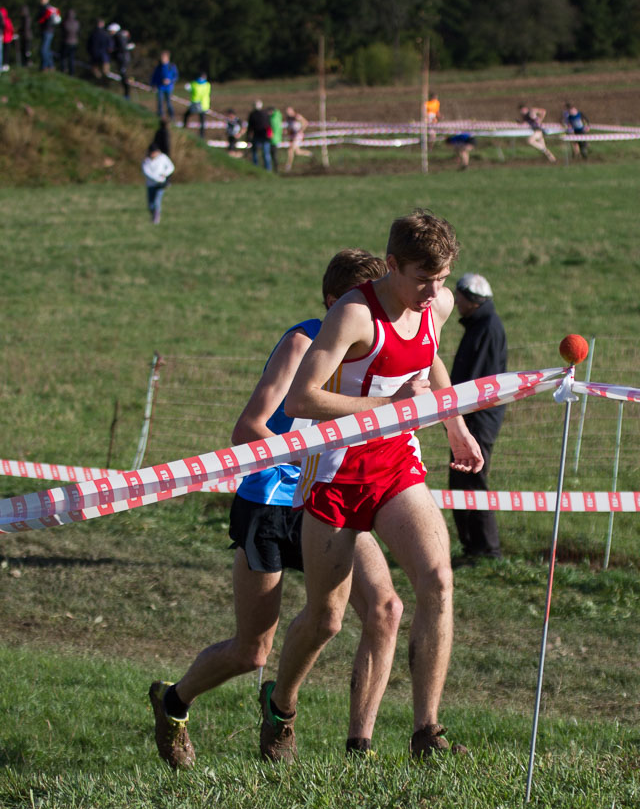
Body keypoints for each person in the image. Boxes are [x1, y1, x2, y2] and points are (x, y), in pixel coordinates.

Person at [149, 250, 403, 769]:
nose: (370, 315)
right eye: (360, 303)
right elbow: (248, 429)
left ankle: (340, 741)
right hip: (271, 501)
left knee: (384, 609)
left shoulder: (372, 354)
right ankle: (173, 702)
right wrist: (305, 457)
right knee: (252, 652)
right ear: (333, 303)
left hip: (329, 498)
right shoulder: (303, 343)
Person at [258, 209, 484, 764]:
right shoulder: (354, 314)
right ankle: (280, 706)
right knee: (326, 619)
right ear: (392, 265)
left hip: (396, 463)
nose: (433, 291)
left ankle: (426, 733)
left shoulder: (437, 305)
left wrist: (455, 426)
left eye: (442, 277)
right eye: (422, 279)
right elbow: (302, 399)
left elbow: (430, 359)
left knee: (438, 579)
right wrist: (388, 406)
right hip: (335, 472)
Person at [449, 273, 507, 562]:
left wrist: (459, 414)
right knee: (462, 480)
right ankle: (472, 547)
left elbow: (477, 381)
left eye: (459, 297)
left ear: (472, 299)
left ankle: (487, 549)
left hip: (477, 420)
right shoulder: (479, 324)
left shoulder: (487, 327)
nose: (456, 302)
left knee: (473, 480)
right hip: (471, 418)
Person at [142, 143, 174, 224]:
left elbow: (171, 167)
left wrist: (164, 174)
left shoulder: (163, 158)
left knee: (157, 201)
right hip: (151, 184)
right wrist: (157, 179)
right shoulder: (146, 161)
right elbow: (146, 172)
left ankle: (156, 219)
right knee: (150, 204)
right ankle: (153, 215)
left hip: (161, 184)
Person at [183, 72, 211, 139]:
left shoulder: (194, 84)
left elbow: (189, 89)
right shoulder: (208, 85)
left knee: (186, 115)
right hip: (204, 105)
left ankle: (184, 129)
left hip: (195, 104)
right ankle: (202, 136)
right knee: (202, 121)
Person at [151, 50, 178, 119]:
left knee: (169, 103)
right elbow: (154, 77)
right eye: (161, 57)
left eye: (164, 57)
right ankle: (160, 116)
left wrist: (170, 81)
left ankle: (172, 116)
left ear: (168, 58)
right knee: (160, 102)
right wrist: (153, 85)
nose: (162, 59)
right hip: (160, 87)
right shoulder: (159, 67)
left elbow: (176, 76)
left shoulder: (171, 66)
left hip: (169, 88)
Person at [246, 99, 272, 171]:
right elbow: (269, 125)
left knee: (259, 153)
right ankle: (265, 169)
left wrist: (248, 136)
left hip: (261, 136)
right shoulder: (265, 114)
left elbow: (250, 127)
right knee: (263, 153)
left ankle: (260, 168)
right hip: (261, 136)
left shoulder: (253, 114)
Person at [284, 106, 310, 171]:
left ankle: (288, 165)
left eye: (289, 111)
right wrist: (287, 131)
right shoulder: (288, 118)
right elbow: (289, 127)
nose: (287, 112)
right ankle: (310, 154)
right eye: (287, 111)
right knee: (297, 152)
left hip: (298, 136)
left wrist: (301, 130)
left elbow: (306, 123)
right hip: (292, 135)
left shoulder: (297, 116)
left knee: (290, 150)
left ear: (292, 111)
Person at [109, 23, 132, 98]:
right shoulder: (120, 36)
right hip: (123, 59)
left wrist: (114, 50)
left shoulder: (118, 36)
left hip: (123, 60)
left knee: (124, 76)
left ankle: (127, 94)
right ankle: (126, 94)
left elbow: (122, 48)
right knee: (123, 76)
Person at [37, 0, 59, 71]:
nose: (41, 0)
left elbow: (47, 21)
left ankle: (44, 66)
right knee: (47, 49)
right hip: (46, 31)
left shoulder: (48, 9)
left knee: (43, 50)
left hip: (48, 31)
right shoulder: (42, 8)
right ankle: (51, 66)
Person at [59, 9, 79, 75]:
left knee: (63, 57)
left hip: (66, 42)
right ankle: (71, 72)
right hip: (74, 42)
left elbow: (62, 31)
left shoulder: (65, 23)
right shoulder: (76, 23)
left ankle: (63, 69)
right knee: (71, 58)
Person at [267, 105, 283, 172]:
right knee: (274, 155)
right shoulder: (278, 117)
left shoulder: (272, 119)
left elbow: (271, 128)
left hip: (273, 138)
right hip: (277, 138)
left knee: (272, 155)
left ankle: (274, 169)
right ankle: (275, 169)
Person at [0, 6, 14, 70]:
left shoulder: (6, 20)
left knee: (5, 52)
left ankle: (5, 64)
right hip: (6, 37)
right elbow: (11, 29)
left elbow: (9, 29)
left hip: (6, 38)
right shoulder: (7, 20)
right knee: (4, 52)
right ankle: (4, 64)